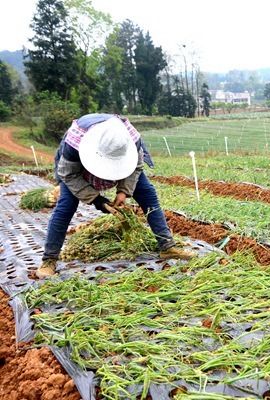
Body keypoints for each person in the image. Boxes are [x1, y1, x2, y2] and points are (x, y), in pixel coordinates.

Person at [36, 114, 195, 279]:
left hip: (121, 158)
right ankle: (49, 259)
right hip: (76, 169)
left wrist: (123, 191)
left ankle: (167, 246)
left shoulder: (131, 140)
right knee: (65, 206)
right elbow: (67, 174)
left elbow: (137, 166)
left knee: (148, 194)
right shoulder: (75, 144)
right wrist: (98, 200)